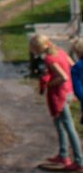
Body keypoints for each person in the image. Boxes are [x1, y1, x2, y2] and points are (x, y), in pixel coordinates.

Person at [31, 33, 83, 171]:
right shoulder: (60, 51)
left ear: (40, 48)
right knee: (59, 123)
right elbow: (72, 66)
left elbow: (63, 77)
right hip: (69, 92)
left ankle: (79, 161)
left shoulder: (49, 59)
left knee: (68, 126)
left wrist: (49, 83)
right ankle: (63, 154)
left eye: (34, 49)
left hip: (60, 95)